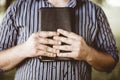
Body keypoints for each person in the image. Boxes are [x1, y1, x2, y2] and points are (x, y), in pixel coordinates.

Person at [0, 0, 119, 80]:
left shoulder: (95, 12)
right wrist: (24, 49)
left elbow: (111, 61)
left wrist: (88, 53)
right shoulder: (17, 9)